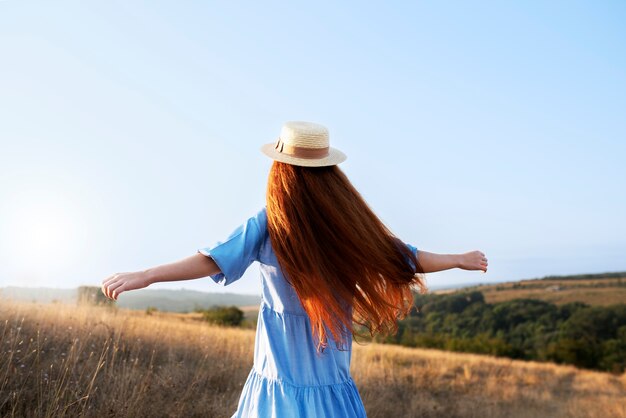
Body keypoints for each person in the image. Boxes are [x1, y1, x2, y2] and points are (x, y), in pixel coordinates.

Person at [101, 121, 489, 417]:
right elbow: (407, 256)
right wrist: (456, 259)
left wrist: (146, 275)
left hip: (281, 388)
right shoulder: (342, 225)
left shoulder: (273, 224)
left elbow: (212, 259)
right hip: (327, 390)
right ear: (329, 174)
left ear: (281, 172)